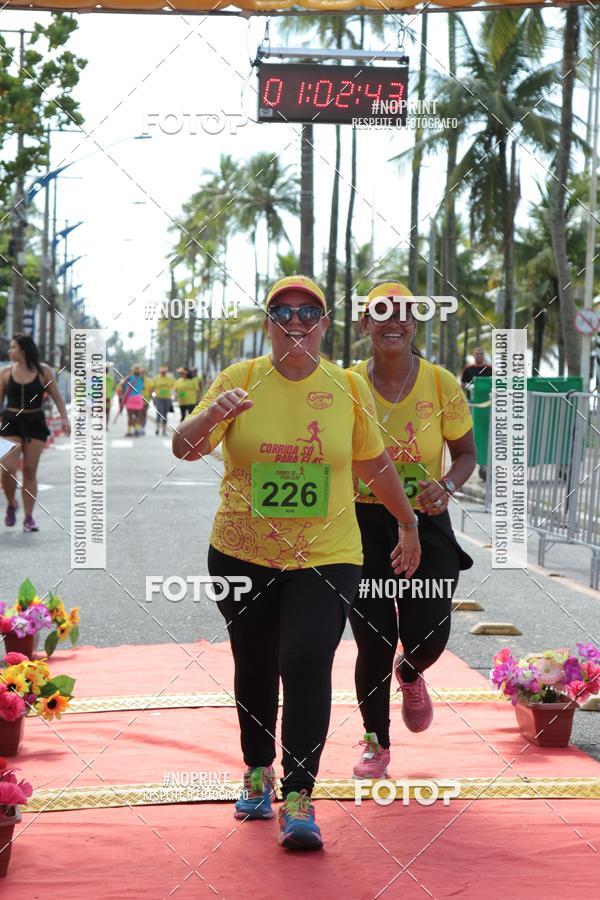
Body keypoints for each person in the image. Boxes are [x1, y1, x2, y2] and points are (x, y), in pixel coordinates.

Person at [173, 275, 421, 850]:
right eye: (282, 312)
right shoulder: (238, 379)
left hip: (327, 555)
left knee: (306, 659)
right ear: (268, 323)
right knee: (254, 661)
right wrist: (212, 416)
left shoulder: (347, 386)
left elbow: (375, 465)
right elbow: (184, 447)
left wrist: (408, 523)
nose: (295, 322)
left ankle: (300, 795)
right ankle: (258, 769)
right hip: (242, 552)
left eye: (308, 312)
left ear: (326, 323)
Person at [347, 282, 476, 778]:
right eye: (380, 312)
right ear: (365, 325)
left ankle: (413, 670)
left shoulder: (442, 383)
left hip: (427, 519)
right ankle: (376, 743)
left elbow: (466, 454)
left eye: (402, 313)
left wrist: (445, 486)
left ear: (415, 323)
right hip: (360, 523)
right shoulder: (344, 383)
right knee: (374, 639)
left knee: (430, 630)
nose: (392, 321)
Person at [0, 333, 71, 532]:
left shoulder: (43, 371)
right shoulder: (5, 373)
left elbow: (57, 397)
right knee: (7, 469)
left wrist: (65, 418)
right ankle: (12, 503)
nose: (10, 351)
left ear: (23, 350)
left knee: (30, 470)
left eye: (13, 347)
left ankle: (29, 518)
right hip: (10, 422)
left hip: (35, 422)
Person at [117, 365, 144, 437]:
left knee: (130, 416)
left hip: (130, 398)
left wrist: (123, 393)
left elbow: (121, 384)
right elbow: (142, 388)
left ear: (132, 371)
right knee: (137, 416)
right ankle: (137, 430)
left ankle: (129, 431)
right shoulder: (141, 379)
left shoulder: (129, 378)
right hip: (138, 398)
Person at [152, 365, 175, 436]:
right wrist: (152, 397)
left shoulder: (170, 379)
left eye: (164, 372)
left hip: (167, 398)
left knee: (165, 414)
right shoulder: (156, 378)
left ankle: (164, 431)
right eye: (162, 372)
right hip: (158, 398)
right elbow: (153, 388)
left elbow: (173, 388)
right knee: (159, 412)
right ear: (160, 372)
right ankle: (157, 429)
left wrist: (173, 397)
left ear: (166, 372)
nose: (163, 373)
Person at [139, 367, 153, 436]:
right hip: (137, 399)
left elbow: (151, 389)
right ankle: (138, 426)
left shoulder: (149, 380)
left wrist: (150, 397)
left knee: (144, 413)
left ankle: (142, 428)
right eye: (140, 372)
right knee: (139, 414)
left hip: (145, 399)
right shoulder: (137, 379)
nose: (142, 374)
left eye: (143, 372)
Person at [105, 365, 115, 430]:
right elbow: (114, 388)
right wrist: (112, 395)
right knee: (107, 412)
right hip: (108, 398)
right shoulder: (111, 379)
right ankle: (106, 425)